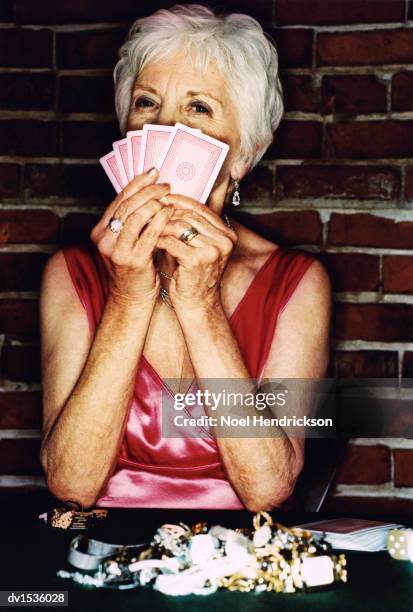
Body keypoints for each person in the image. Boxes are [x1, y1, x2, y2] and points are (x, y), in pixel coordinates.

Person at [39, 4, 331, 511]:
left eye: (198, 108)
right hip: (104, 561)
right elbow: (71, 486)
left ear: (241, 155)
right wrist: (130, 296)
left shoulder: (296, 282)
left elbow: (268, 490)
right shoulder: (72, 273)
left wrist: (201, 305)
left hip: (233, 567)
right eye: (146, 102)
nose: (166, 125)